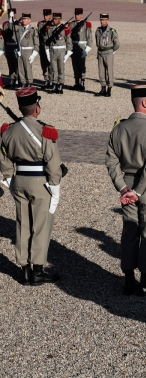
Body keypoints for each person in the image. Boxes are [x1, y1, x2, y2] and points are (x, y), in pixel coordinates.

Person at [105, 84, 146, 296]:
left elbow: (111, 161)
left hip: (127, 185)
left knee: (130, 232)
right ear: (144, 103)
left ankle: (129, 280)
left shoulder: (118, 128)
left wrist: (123, 187)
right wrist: (139, 191)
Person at [0, 87, 61, 285]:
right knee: (41, 226)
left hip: (19, 180)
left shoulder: (8, 130)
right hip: (39, 182)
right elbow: (52, 163)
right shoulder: (45, 130)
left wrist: (9, 176)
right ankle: (38, 270)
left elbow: (3, 156)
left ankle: (24, 269)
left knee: (23, 223)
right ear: (37, 108)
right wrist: (55, 185)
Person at [46, 12, 73, 94]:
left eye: (56, 19)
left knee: (61, 69)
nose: (54, 20)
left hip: (61, 51)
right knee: (54, 69)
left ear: (60, 19)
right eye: (54, 18)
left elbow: (68, 40)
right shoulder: (50, 29)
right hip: (53, 51)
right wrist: (47, 51)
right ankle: (54, 84)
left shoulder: (64, 29)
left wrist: (68, 52)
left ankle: (60, 85)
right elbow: (47, 41)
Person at [95, 14, 119, 97]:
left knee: (109, 71)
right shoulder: (98, 30)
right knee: (101, 71)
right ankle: (103, 88)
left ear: (107, 20)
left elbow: (117, 43)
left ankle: (109, 89)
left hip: (108, 52)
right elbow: (97, 42)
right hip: (100, 52)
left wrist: (113, 51)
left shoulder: (112, 31)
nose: (102, 21)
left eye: (104, 20)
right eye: (101, 20)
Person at [69, 8, 93, 91]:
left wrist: (86, 50)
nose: (76, 16)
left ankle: (82, 82)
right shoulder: (72, 24)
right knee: (75, 65)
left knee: (81, 65)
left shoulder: (86, 25)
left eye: (78, 14)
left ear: (81, 15)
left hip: (82, 46)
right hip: (73, 46)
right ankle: (77, 82)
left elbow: (90, 38)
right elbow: (68, 36)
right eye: (75, 14)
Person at [15, 12, 39, 88]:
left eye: (25, 19)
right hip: (20, 51)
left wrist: (33, 55)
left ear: (29, 20)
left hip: (28, 51)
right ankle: (23, 82)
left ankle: (29, 82)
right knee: (20, 68)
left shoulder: (32, 30)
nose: (24, 20)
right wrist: (11, 19)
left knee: (28, 68)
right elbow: (12, 27)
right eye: (23, 19)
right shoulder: (20, 28)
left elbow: (36, 44)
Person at [3, 8, 20, 88]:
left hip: (15, 45)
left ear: (15, 14)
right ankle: (12, 79)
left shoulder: (19, 23)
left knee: (16, 64)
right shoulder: (5, 24)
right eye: (9, 14)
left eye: (12, 14)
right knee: (10, 64)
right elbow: (5, 34)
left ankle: (17, 80)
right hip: (8, 45)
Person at [37, 9, 53, 90]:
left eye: (47, 15)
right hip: (42, 46)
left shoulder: (53, 23)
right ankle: (46, 80)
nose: (45, 17)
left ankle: (52, 80)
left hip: (50, 47)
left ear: (50, 15)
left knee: (50, 64)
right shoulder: (41, 23)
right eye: (44, 15)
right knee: (44, 64)